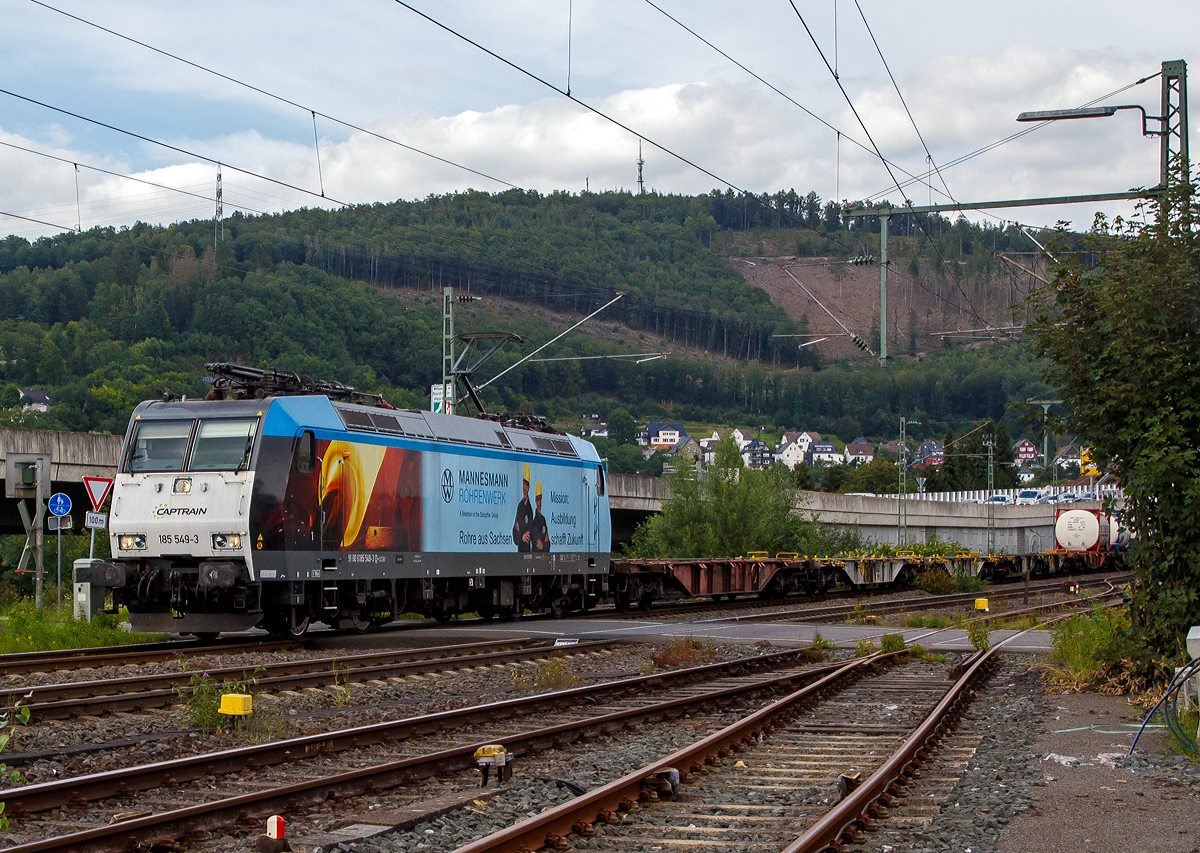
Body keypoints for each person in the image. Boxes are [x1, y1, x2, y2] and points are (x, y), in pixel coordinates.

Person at [512, 463, 533, 551]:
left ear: (529, 487)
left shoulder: (530, 508)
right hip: (520, 551)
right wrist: (521, 536)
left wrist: (524, 533)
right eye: (524, 484)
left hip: (528, 550)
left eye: (526, 485)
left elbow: (530, 528)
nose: (525, 487)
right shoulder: (520, 506)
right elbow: (516, 528)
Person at [532, 480, 550, 552]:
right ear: (535, 501)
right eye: (537, 500)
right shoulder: (534, 521)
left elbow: (548, 543)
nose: (539, 503)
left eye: (540, 499)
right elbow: (537, 545)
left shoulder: (543, 519)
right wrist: (544, 543)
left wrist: (544, 545)